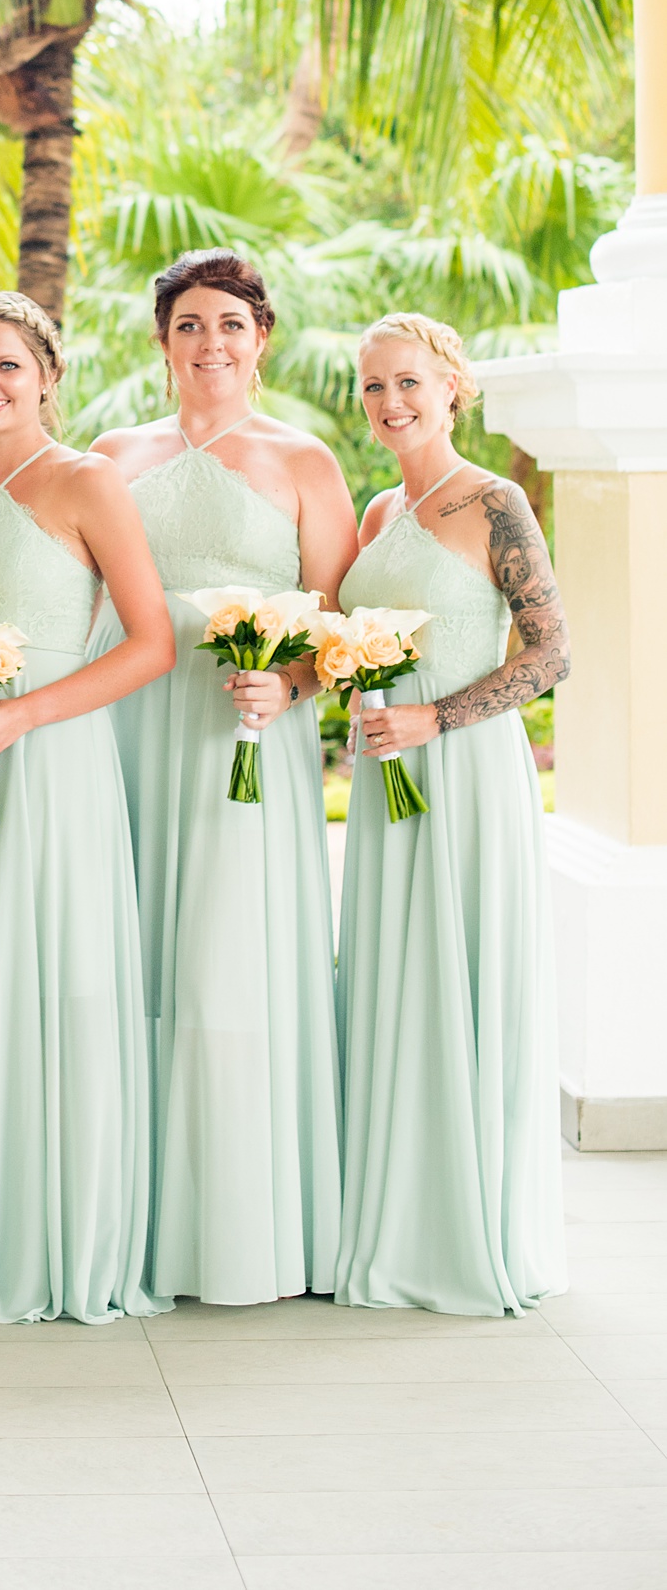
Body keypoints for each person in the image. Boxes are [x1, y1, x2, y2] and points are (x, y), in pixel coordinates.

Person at [0, 291, 175, 1323]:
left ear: (46, 373)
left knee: (60, 978)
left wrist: (21, 718)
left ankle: (64, 1231)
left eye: (7, 364)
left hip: (53, 764)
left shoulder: (86, 481)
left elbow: (150, 642)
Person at [93, 247, 354, 1304]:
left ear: (261, 338)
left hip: (247, 731)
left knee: (229, 950)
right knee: (134, 945)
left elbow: (333, 618)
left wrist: (288, 685)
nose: (210, 343)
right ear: (162, 341)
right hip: (129, 724)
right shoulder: (110, 454)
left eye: (229, 324)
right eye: (189, 324)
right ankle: (130, 1211)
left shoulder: (304, 461)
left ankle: (244, 1221)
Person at [336, 310, 567, 1315]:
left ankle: (468, 1228)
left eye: (408, 383)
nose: (390, 402)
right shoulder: (376, 510)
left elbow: (551, 654)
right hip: (391, 786)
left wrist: (437, 714)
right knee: (397, 982)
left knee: (461, 977)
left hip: (466, 778)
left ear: (451, 386)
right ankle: (396, 1215)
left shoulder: (494, 499)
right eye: (373, 386)